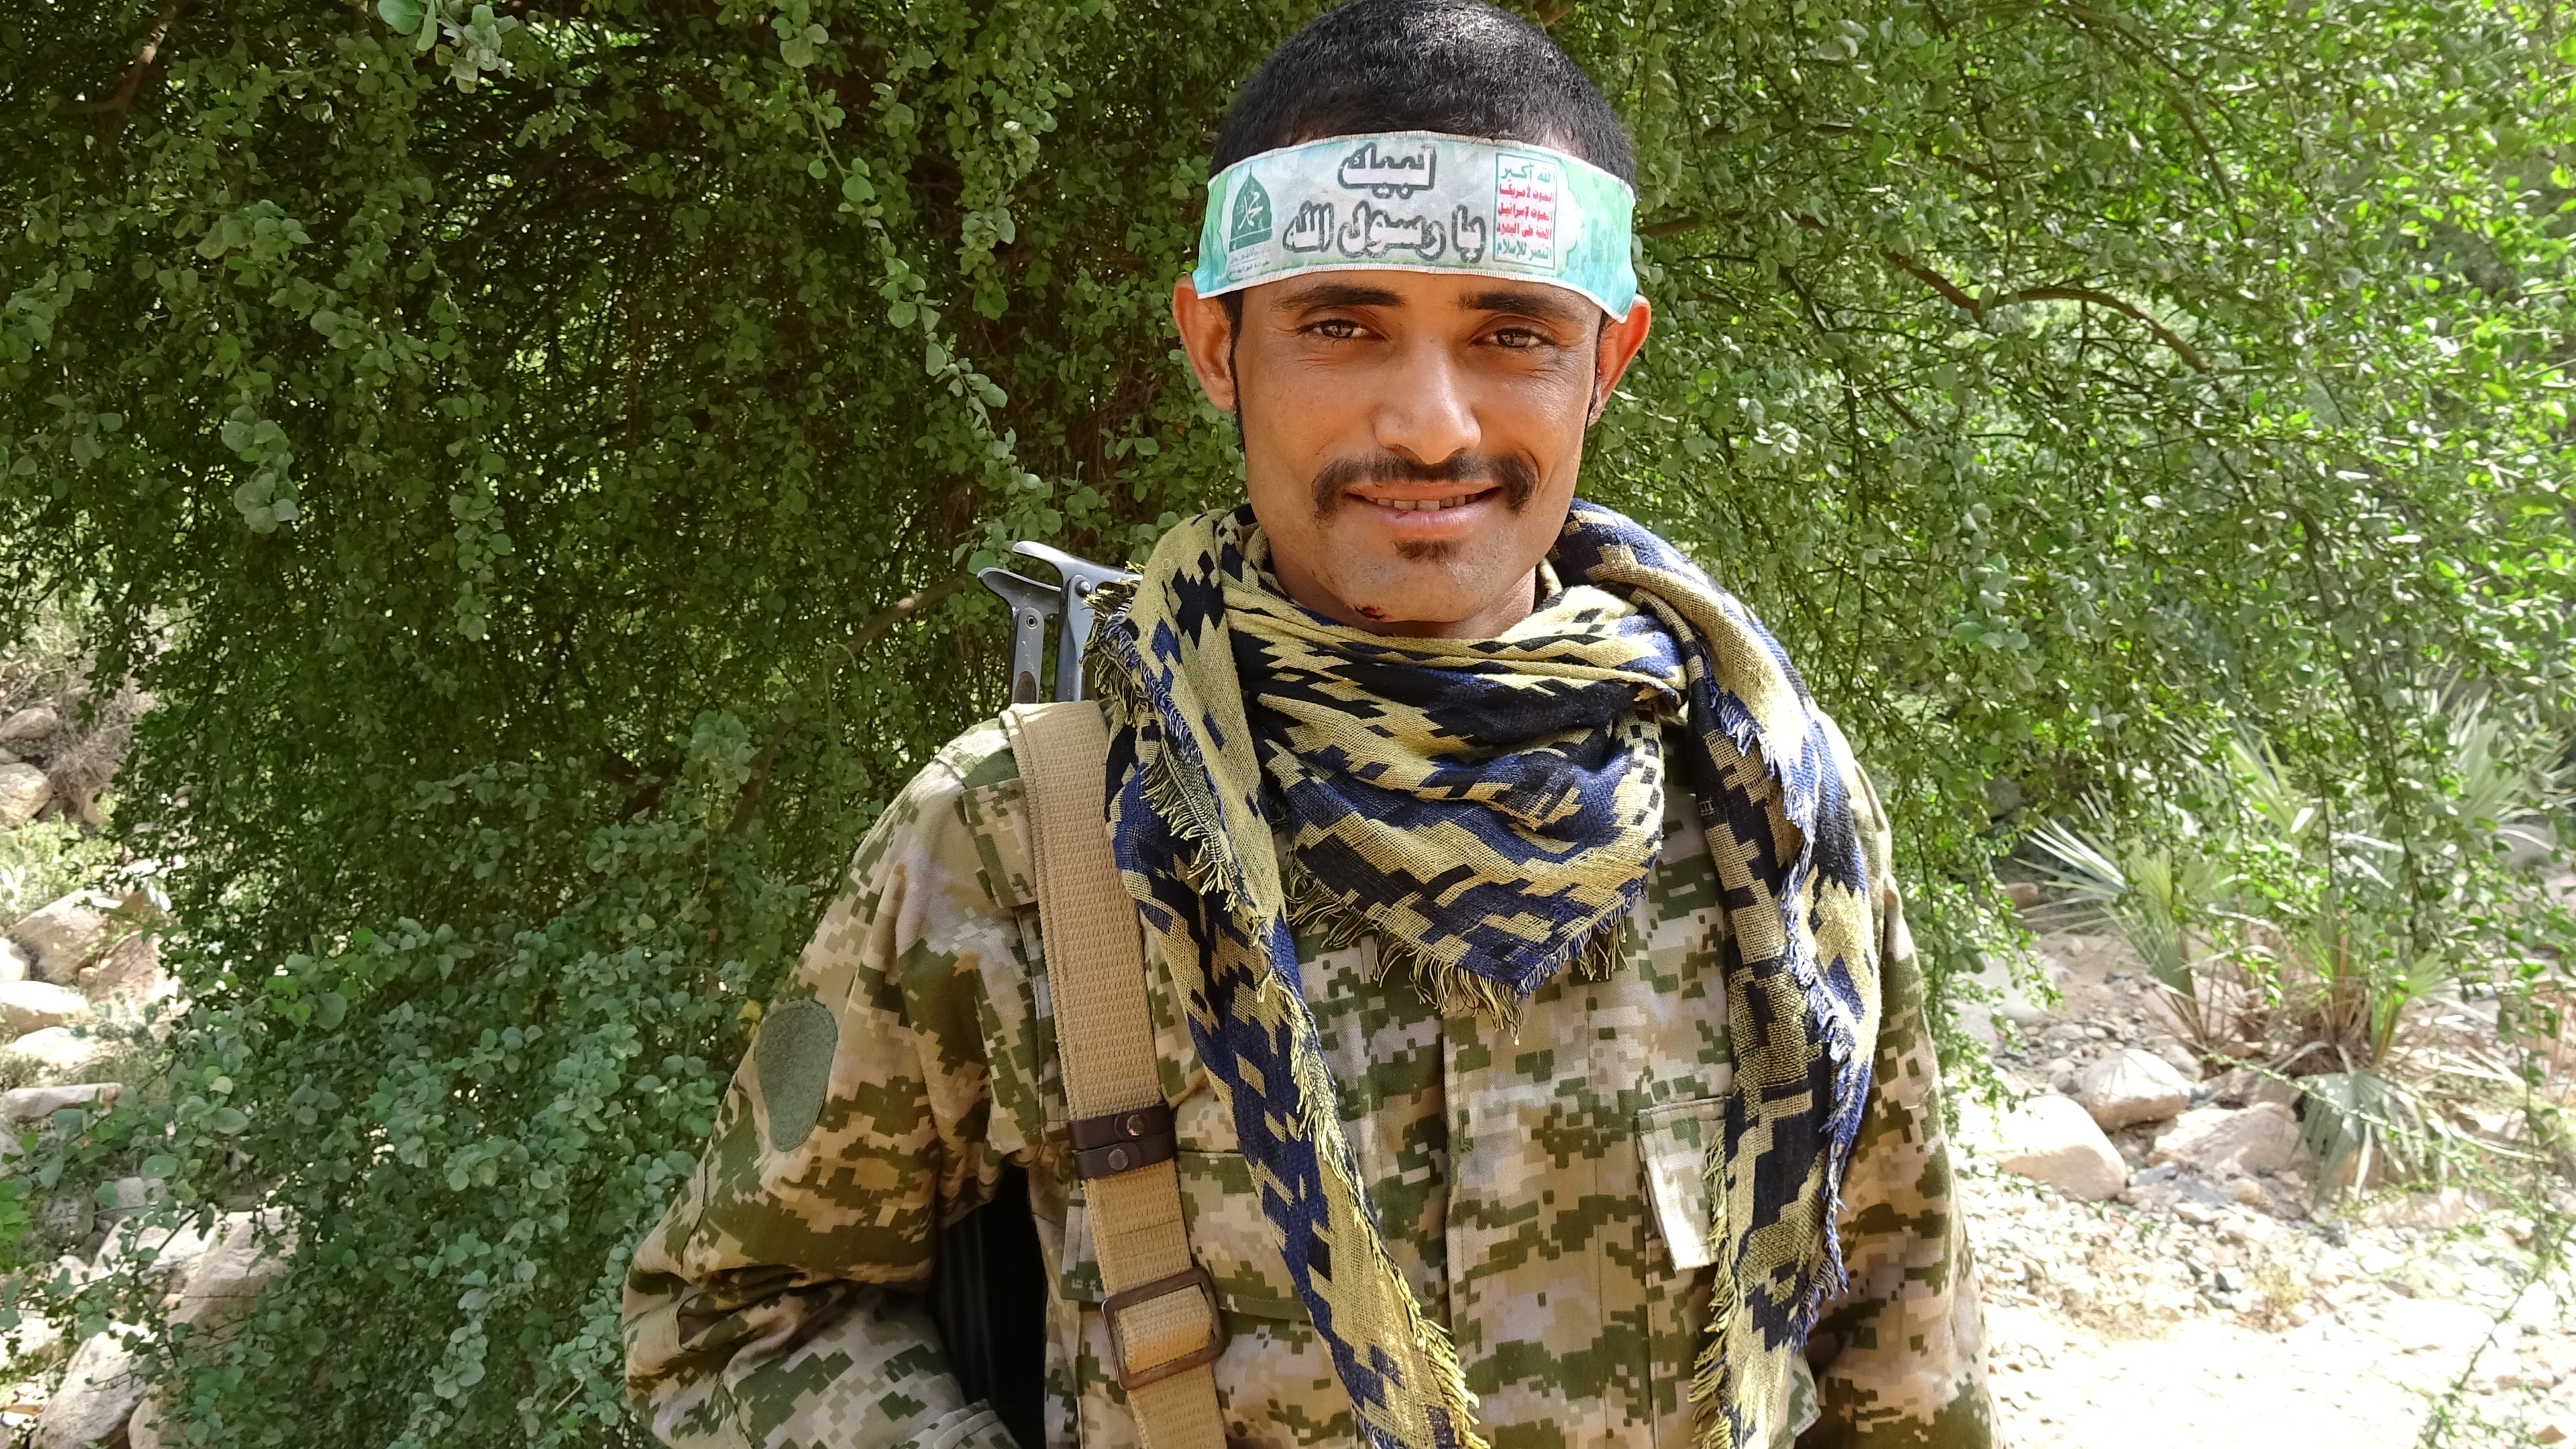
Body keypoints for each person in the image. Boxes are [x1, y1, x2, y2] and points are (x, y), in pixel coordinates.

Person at [621, 3, 1992, 1447]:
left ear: (1607, 360)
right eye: (1342, 327)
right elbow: (735, 1319)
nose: (1432, 426)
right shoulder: (1027, 840)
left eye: (1513, 334)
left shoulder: (1768, 806)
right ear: (1218, 347)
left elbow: (1900, 1341)